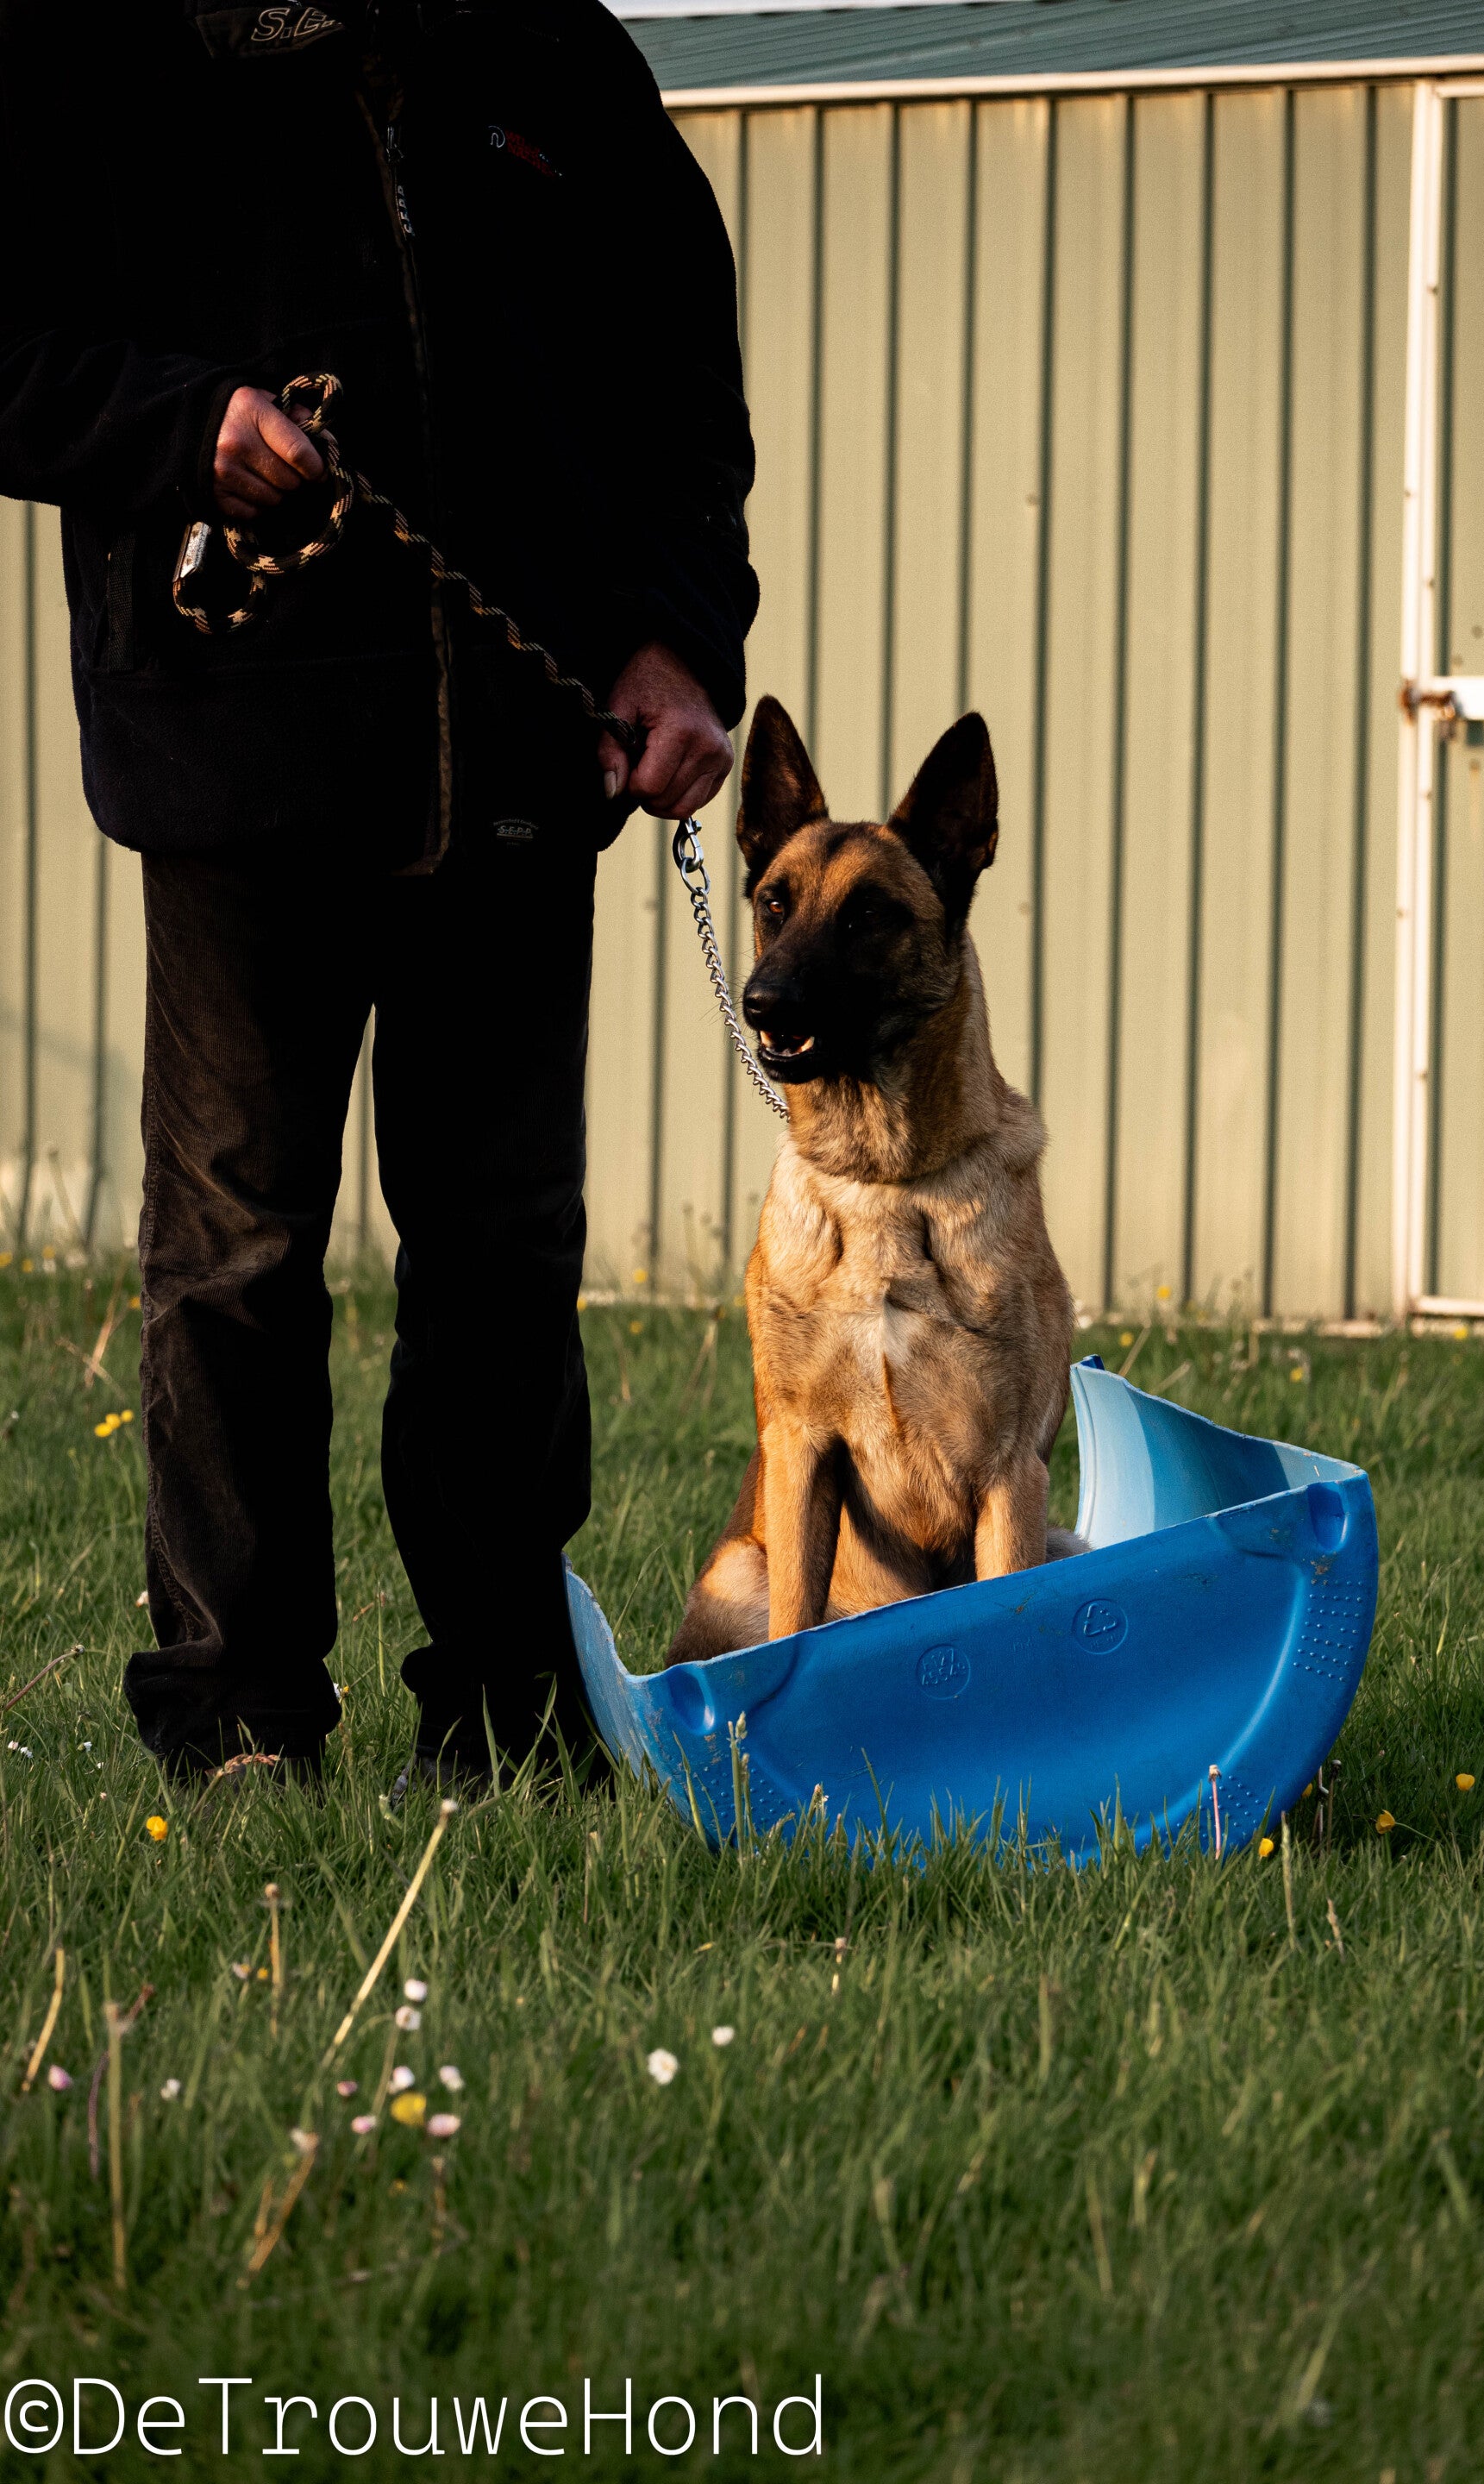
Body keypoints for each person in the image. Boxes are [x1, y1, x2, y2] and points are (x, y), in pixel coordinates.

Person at [0, 0, 757, 1789]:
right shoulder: (105, 60)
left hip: (526, 746)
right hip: (234, 745)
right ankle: (236, 1720)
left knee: (502, 1256)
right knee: (236, 1249)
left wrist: (675, 637)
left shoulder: (552, 53)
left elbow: (678, 374)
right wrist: (179, 424)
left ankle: (508, 1714)